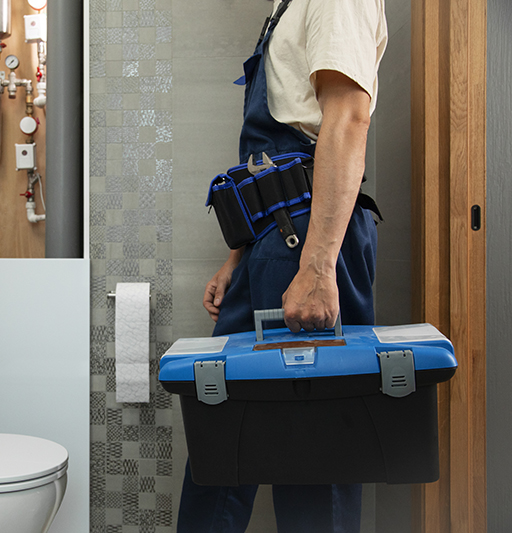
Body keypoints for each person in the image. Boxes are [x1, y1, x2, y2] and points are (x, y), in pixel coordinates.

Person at [176, 0, 388, 532]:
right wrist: (238, 257)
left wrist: (317, 268)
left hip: (309, 239)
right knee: (223, 440)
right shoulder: (285, 6)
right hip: (274, 239)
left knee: (314, 458)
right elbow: (267, 169)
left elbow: (347, 118)